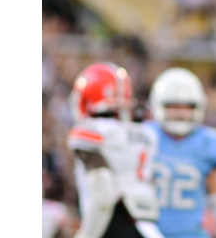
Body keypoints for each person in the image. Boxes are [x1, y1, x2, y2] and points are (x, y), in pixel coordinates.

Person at [146, 67, 216, 238]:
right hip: (147, 232)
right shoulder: (144, 137)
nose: (180, 113)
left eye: (187, 107)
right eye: (173, 106)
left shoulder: (207, 143)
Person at [67, 62, 164, 238]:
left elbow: (104, 193)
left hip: (114, 223)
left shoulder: (93, 130)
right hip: (149, 229)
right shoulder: (147, 133)